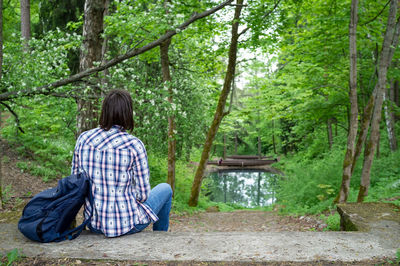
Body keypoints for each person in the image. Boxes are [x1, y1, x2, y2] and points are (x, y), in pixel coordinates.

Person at [71, 89, 172, 237]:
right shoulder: (134, 145)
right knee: (166, 188)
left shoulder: (83, 139)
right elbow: (143, 195)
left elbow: (75, 183)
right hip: (127, 225)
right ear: (128, 113)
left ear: (104, 111)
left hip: (94, 224)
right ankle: (160, 237)